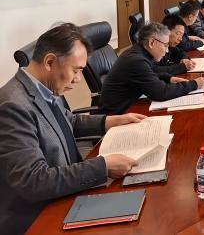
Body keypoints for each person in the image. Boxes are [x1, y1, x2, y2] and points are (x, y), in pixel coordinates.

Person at [0, 24, 146, 234]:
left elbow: (68, 121)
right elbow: (33, 180)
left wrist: (110, 121)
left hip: (68, 192)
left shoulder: (44, 87)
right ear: (50, 62)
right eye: (75, 70)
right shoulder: (13, 105)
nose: (78, 79)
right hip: (39, 217)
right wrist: (102, 166)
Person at [100, 22, 204, 115]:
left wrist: (169, 78)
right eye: (165, 45)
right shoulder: (137, 61)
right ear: (151, 43)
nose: (167, 51)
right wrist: (194, 84)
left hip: (130, 105)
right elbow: (161, 93)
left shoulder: (138, 52)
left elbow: (150, 72)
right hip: (119, 115)